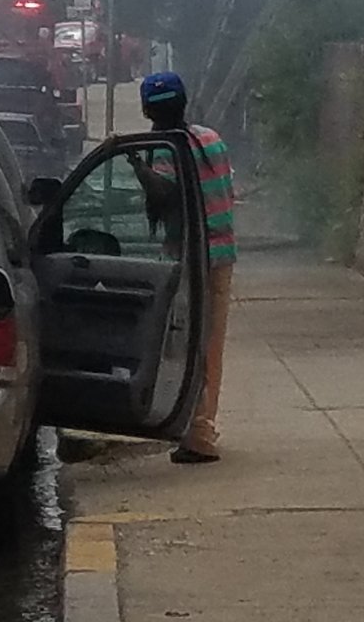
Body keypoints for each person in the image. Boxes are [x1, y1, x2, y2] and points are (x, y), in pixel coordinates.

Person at [130, 70, 236, 464]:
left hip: (193, 259)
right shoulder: (210, 139)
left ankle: (197, 435)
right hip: (222, 255)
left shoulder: (165, 149)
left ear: (145, 109)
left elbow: (164, 196)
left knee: (186, 346)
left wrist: (136, 166)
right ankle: (201, 428)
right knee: (210, 345)